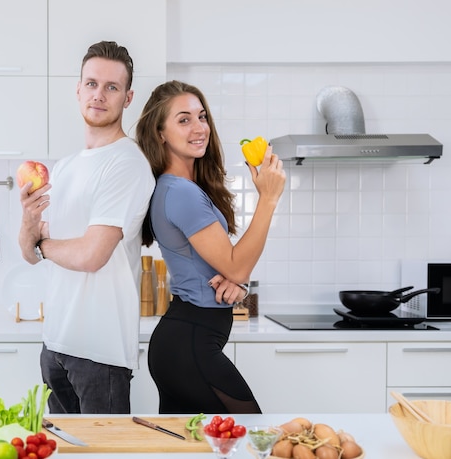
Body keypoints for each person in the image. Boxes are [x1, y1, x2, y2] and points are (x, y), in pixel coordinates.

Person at [18, 41, 155, 414]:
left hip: (100, 352)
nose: (99, 94)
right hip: (56, 343)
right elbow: (28, 253)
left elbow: (92, 255)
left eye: (111, 87)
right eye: (91, 83)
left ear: (127, 98)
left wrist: (43, 245)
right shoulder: (63, 167)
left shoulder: (126, 163)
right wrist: (29, 222)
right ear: (78, 89)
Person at [135, 80, 286, 414]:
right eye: (184, 119)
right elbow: (236, 264)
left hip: (183, 342)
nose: (199, 127)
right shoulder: (181, 193)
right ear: (160, 132)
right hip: (190, 346)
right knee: (252, 436)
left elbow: (229, 266)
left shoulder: (179, 187)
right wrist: (269, 198)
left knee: (193, 449)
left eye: (201, 116)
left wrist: (236, 280)